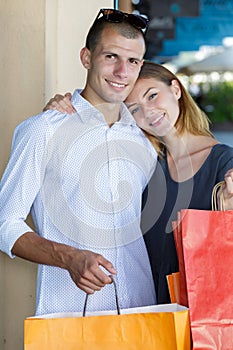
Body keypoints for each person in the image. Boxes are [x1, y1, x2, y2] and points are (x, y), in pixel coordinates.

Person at [0, 9, 157, 316]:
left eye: (133, 61)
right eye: (111, 56)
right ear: (87, 58)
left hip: (144, 314)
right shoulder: (43, 130)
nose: (122, 71)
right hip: (69, 314)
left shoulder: (145, 142)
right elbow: (4, 224)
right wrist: (69, 257)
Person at [45, 61, 233, 304]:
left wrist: (227, 209)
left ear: (176, 89)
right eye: (134, 109)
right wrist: (58, 115)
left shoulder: (223, 161)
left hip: (205, 308)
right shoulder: (143, 161)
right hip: (147, 306)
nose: (147, 112)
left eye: (152, 95)